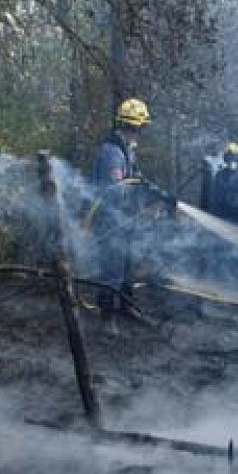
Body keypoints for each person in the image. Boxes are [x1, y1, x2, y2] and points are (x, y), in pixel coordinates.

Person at [87, 97, 158, 312]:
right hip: (111, 222)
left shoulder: (127, 148)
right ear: (134, 126)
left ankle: (127, 308)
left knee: (127, 265)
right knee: (113, 270)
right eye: (141, 127)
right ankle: (107, 317)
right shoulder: (112, 153)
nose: (142, 132)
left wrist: (152, 193)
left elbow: (134, 177)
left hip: (124, 221)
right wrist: (137, 203)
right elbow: (114, 193)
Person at [201, 140, 238, 224]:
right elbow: (215, 196)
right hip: (223, 215)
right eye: (229, 159)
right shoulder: (220, 175)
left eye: (234, 159)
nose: (232, 162)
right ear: (226, 160)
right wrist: (214, 215)